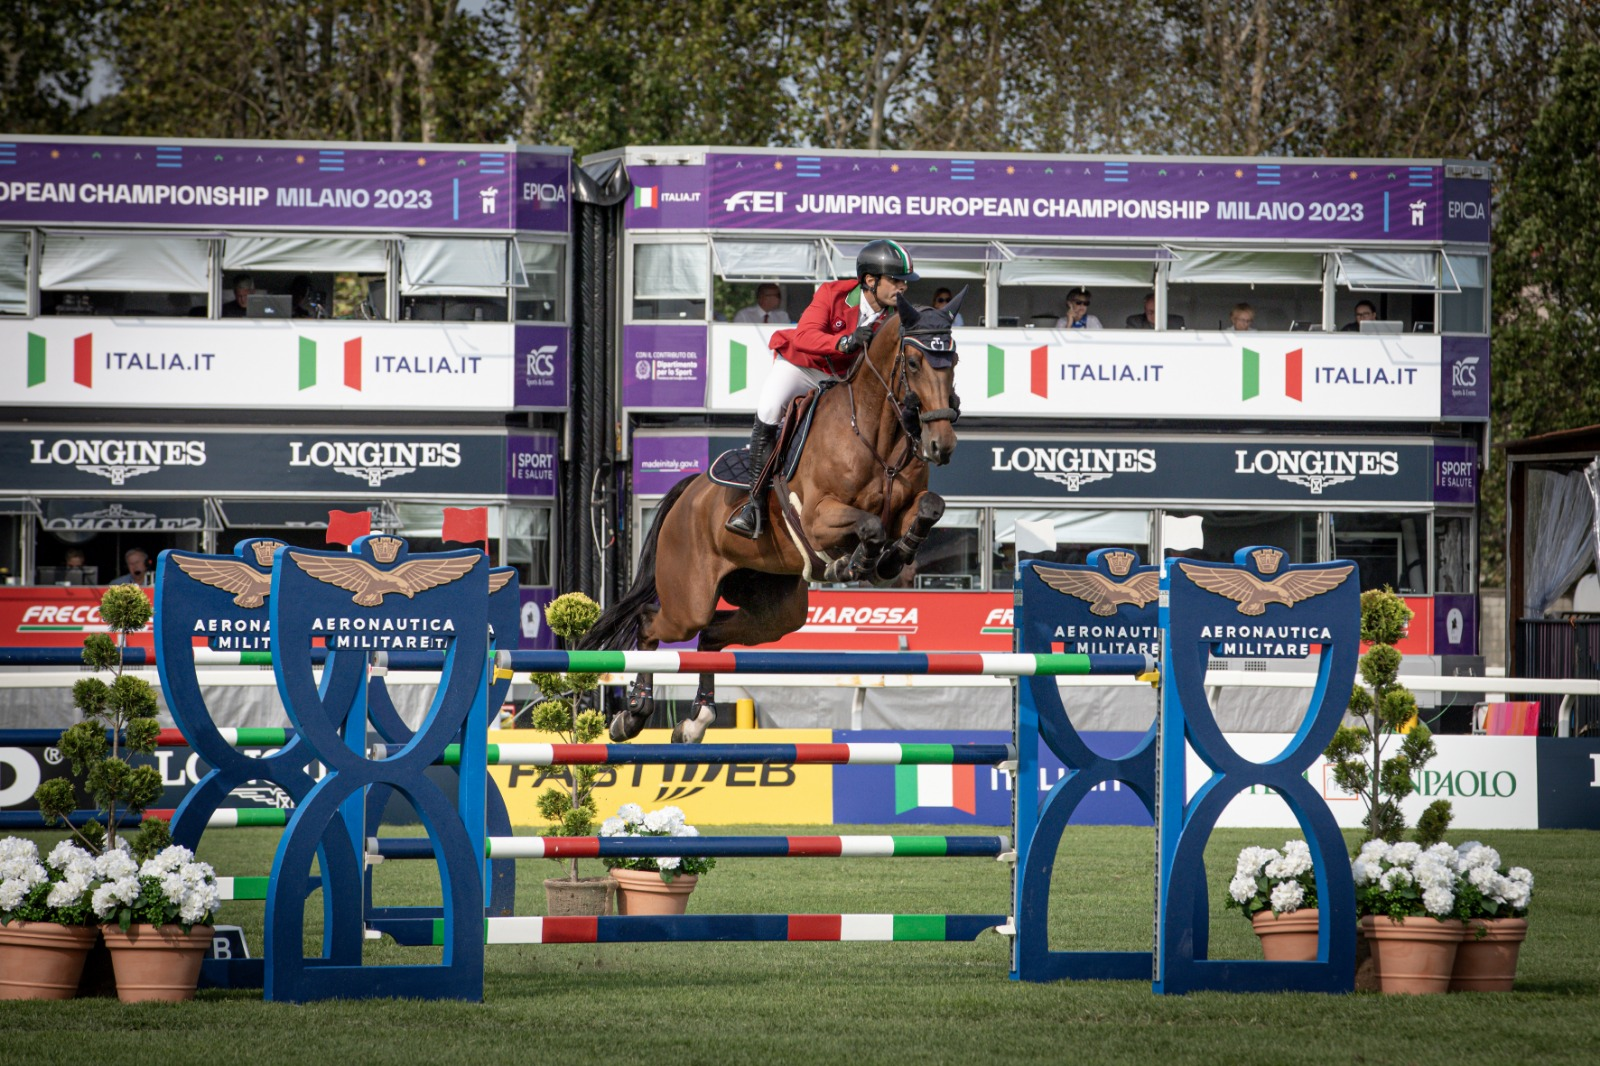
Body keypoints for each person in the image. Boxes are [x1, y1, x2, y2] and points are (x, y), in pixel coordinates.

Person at [724, 239, 918, 539]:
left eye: (904, 282)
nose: (902, 288)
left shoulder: (896, 318)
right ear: (870, 280)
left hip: (842, 381)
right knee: (770, 409)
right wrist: (843, 342)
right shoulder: (833, 293)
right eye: (895, 281)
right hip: (803, 367)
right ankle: (754, 504)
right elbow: (804, 335)